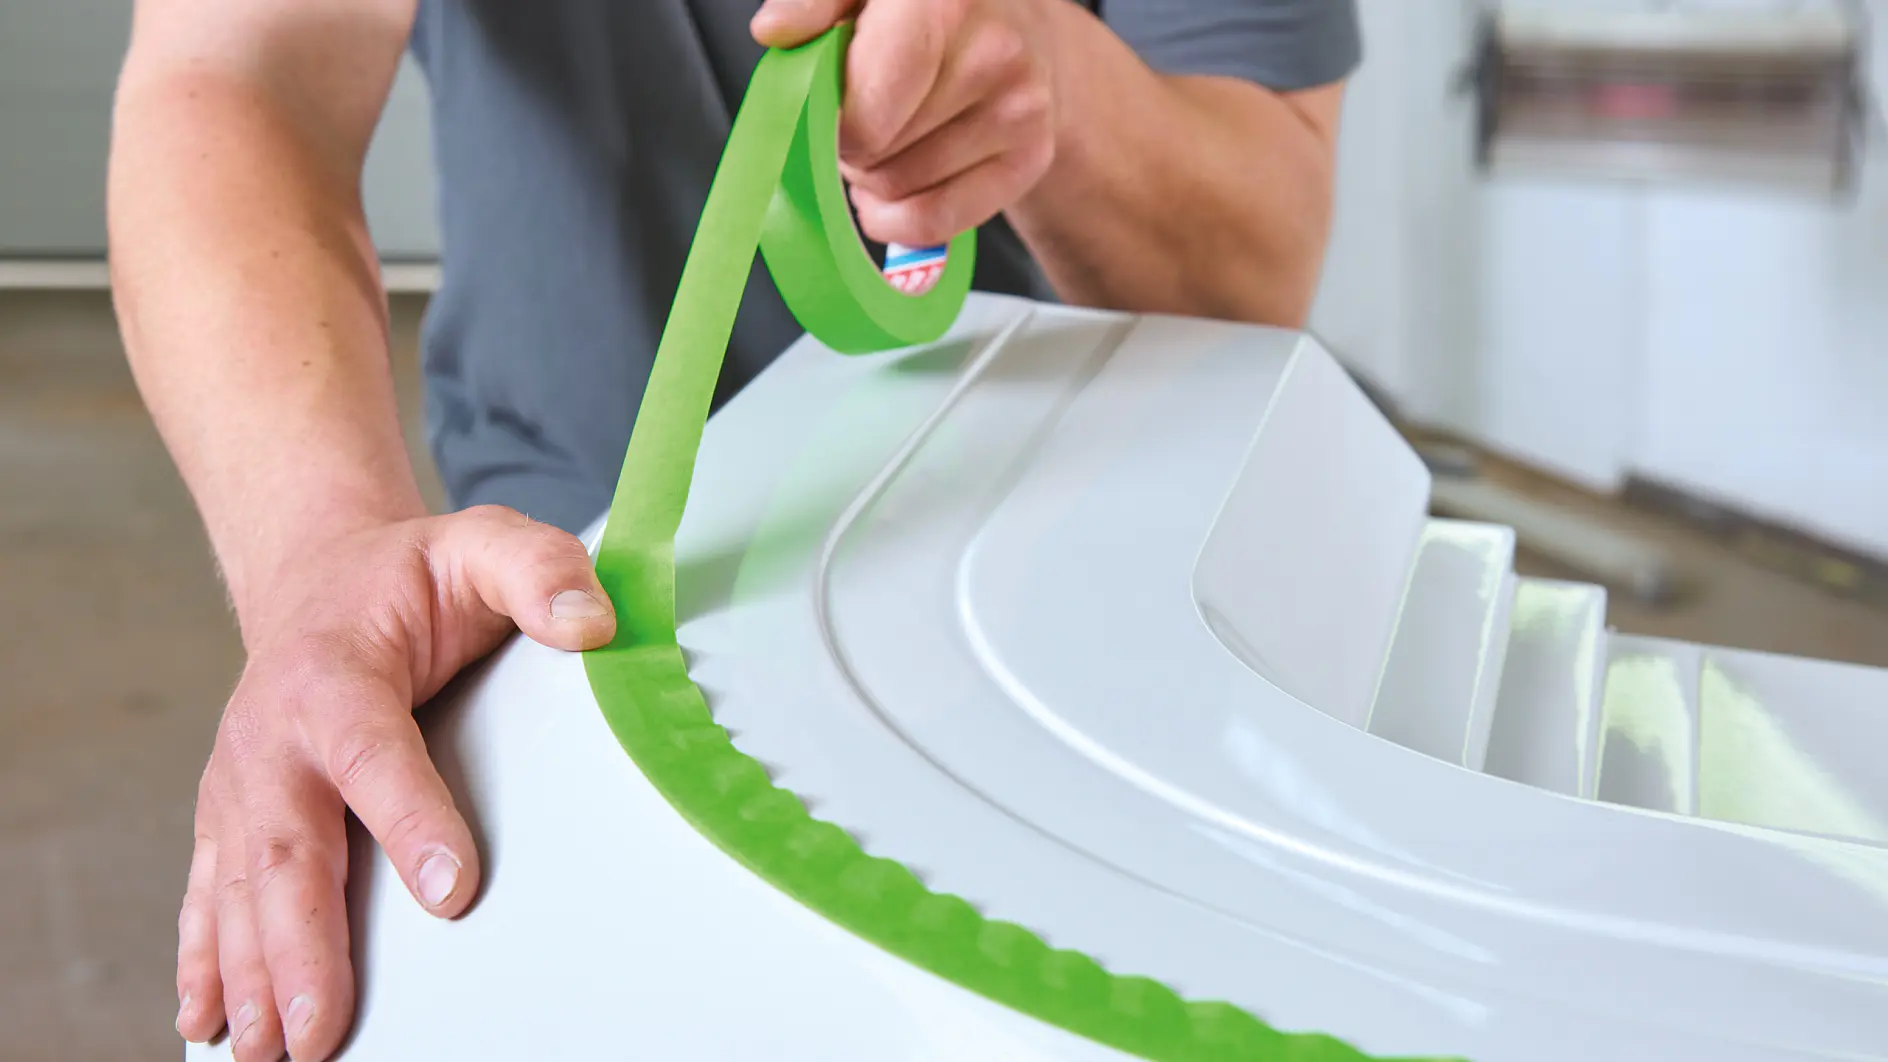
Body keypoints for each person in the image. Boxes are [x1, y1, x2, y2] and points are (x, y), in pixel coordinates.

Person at [109, 0, 1358, 1058]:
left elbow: (1252, 270)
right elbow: (235, 72)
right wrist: (321, 551)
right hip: (554, 592)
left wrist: (1053, 74)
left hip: (1061, 584)